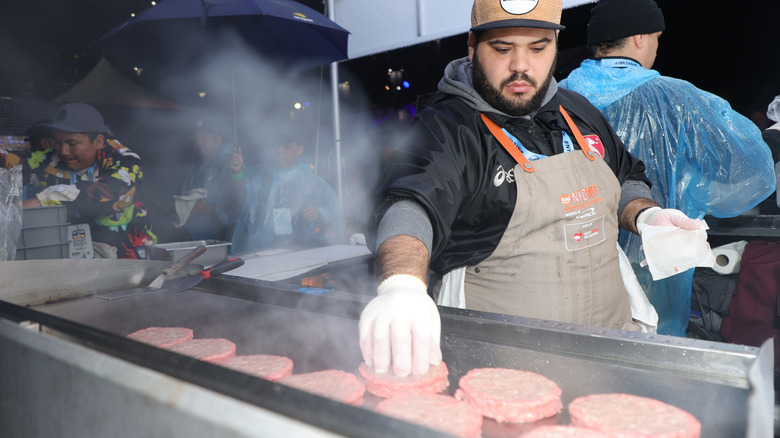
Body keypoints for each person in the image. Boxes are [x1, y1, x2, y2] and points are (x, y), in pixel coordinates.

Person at [358, 0, 708, 378]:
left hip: (610, 347)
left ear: (555, 46)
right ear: (473, 47)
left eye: (538, 48)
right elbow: (410, 203)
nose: (521, 65)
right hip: (504, 368)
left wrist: (646, 215)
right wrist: (402, 285)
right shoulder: (447, 127)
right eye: (502, 49)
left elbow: (625, 177)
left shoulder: (578, 111)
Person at [560, 0, 777, 336]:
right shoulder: (675, 97)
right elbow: (747, 166)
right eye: (656, 38)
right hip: (654, 266)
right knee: (651, 354)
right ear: (639, 37)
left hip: (574, 262)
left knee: (579, 348)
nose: (656, 48)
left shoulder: (557, 97)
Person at [0, 102, 156, 259]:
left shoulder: (126, 161)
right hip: (76, 257)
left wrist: (44, 199)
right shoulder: (53, 159)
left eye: (72, 143)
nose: (63, 151)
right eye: (58, 141)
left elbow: (107, 194)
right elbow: (19, 163)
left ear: (98, 141)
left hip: (128, 258)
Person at [227, 127, 344, 254]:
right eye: (276, 146)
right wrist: (236, 173)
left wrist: (319, 213)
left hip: (299, 251)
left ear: (300, 150)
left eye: (286, 146)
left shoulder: (314, 183)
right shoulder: (257, 177)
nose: (279, 150)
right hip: (258, 251)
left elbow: (337, 214)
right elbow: (239, 201)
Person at [172, 118, 237, 242]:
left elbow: (240, 204)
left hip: (222, 240)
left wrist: (209, 208)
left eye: (203, 136)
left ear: (218, 139)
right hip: (196, 239)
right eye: (195, 137)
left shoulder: (232, 164)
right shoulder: (196, 166)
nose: (198, 141)